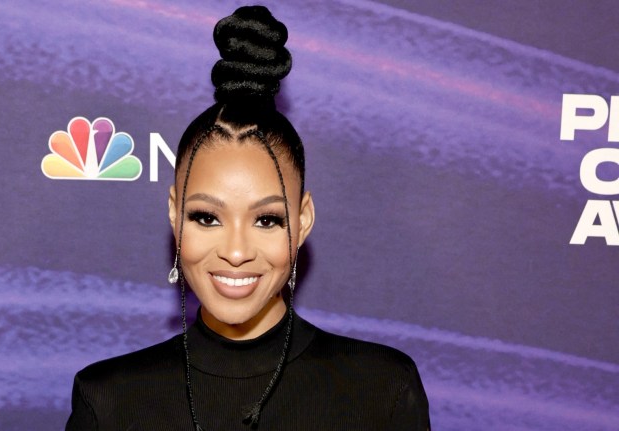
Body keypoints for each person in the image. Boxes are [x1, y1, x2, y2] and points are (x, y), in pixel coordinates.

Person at [65, 5, 430, 430]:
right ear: (173, 214)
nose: (236, 252)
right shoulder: (109, 399)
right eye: (206, 217)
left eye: (267, 220)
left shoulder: (382, 390)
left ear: (304, 219)